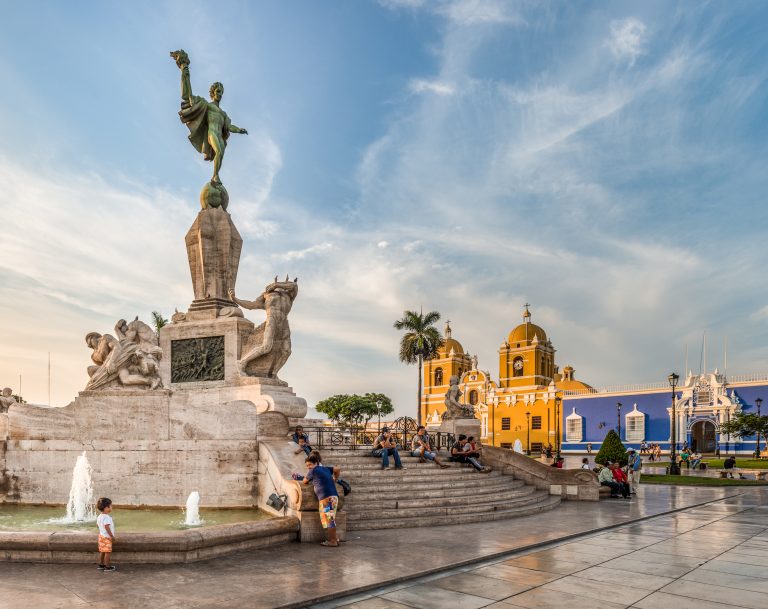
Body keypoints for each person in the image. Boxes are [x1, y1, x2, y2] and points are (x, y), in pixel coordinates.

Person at [302, 452, 341, 547]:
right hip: (334, 496)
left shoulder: (313, 470)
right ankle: (335, 539)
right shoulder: (325, 468)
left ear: (316, 463)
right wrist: (335, 478)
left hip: (326, 497)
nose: (309, 467)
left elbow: (305, 481)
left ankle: (332, 541)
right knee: (331, 519)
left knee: (329, 520)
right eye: (307, 465)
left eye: (310, 464)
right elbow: (337, 468)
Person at [96, 497, 117, 571]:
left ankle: (101, 564)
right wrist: (112, 536)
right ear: (106, 508)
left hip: (101, 536)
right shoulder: (107, 517)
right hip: (107, 537)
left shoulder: (99, 517)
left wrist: (102, 531)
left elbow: (97, 525)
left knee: (102, 551)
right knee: (107, 552)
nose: (111, 507)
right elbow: (107, 527)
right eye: (110, 506)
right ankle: (107, 566)